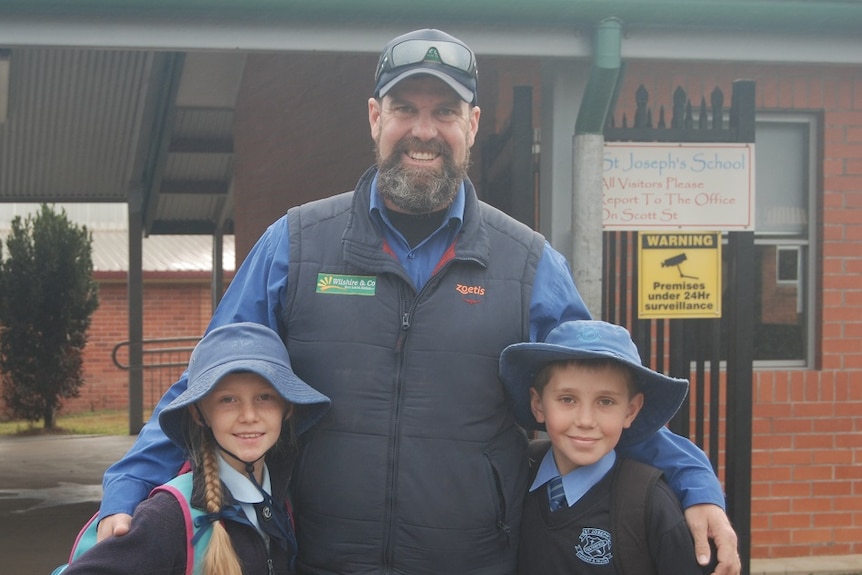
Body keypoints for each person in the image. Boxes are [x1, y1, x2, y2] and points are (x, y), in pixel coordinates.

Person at [96, 28, 740, 575]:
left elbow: (603, 388)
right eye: (406, 108)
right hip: (318, 557)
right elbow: (205, 381)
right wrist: (126, 490)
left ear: (473, 126)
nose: (423, 132)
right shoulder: (296, 245)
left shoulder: (528, 263)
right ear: (375, 117)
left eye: (445, 112)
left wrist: (692, 480)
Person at [61, 322, 330, 574]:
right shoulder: (169, 515)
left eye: (264, 397)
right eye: (228, 399)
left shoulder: (282, 499)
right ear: (200, 414)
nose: (249, 415)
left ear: (287, 408)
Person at [500, 319, 712, 574]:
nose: (586, 421)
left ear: (631, 411)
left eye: (606, 401)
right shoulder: (512, 477)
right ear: (538, 404)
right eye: (567, 399)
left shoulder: (652, 506)